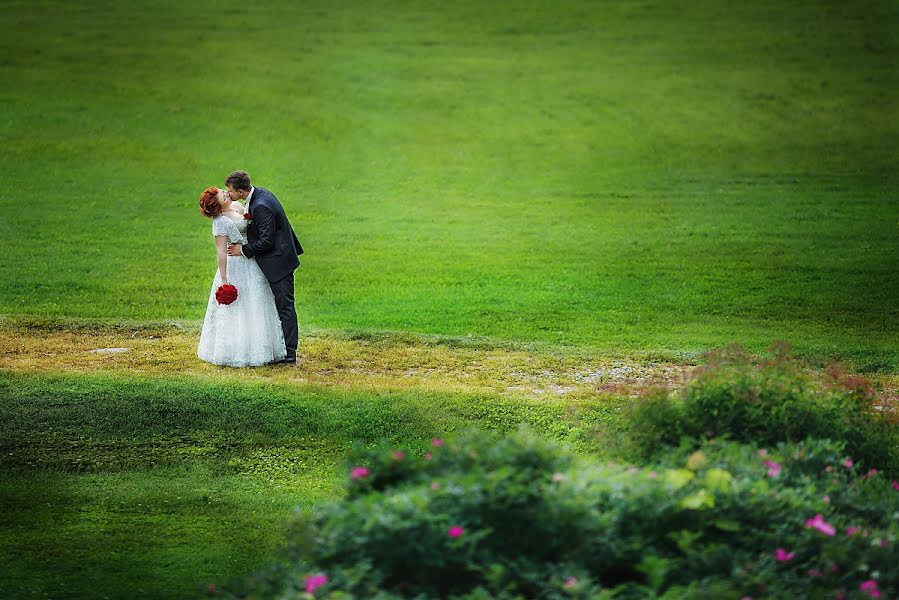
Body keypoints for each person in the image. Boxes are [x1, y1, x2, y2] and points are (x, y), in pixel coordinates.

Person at [196, 186, 287, 367]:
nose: (225, 192)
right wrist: (223, 280)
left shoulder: (238, 205)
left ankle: (261, 345)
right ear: (217, 205)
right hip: (235, 264)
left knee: (256, 301)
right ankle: (235, 349)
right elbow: (221, 252)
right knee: (239, 306)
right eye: (222, 194)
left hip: (250, 259)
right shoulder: (220, 222)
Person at [224, 170, 304, 364]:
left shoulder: (261, 205)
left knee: (285, 306)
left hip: (279, 262)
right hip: (279, 257)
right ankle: (281, 346)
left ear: (241, 191)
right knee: (280, 305)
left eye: (230, 191)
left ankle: (290, 353)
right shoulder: (259, 194)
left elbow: (267, 241)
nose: (229, 194)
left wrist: (244, 249)